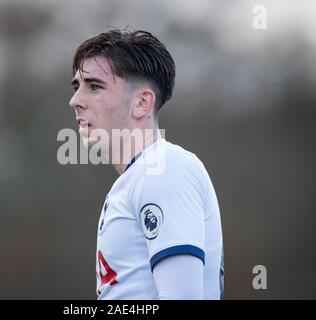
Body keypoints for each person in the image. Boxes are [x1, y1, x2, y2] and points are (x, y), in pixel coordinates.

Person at [69, 29, 224, 300]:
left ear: (141, 103)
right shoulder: (139, 176)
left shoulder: (164, 167)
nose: (75, 101)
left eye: (94, 86)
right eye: (76, 87)